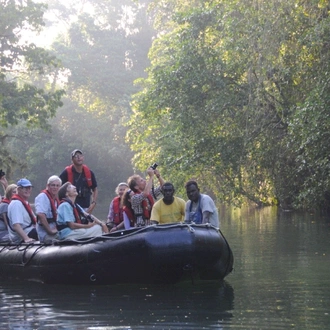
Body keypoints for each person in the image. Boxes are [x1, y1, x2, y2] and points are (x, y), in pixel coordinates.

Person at [59, 149, 98, 214]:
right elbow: (59, 188)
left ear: (83, 157)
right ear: (72, 160)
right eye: (76, 156)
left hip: (86, 207)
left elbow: (95, 189)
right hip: (71, 207)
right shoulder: (66, 172)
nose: (79, 158)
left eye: (80, 155)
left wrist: (93, 203)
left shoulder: (89, 173)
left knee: (86, 223)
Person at [7, 178, 38, 243]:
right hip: (23, 236)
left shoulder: (24, 202)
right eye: (25, 188)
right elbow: (16, 225)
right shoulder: (16, 204)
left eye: (29, 188)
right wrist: (26, 239)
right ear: (18, 189)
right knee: (45, 233)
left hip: (30, 231)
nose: (28, 190)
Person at [35, 175, 62, 243]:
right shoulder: (42, 197)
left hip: (56, 231)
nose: (55, 187)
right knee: (67, 237)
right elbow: (41, 215)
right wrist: (50, 231)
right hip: (46, 234)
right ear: (48, 186)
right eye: (53, 185)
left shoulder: (55, 200)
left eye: (57, 185)